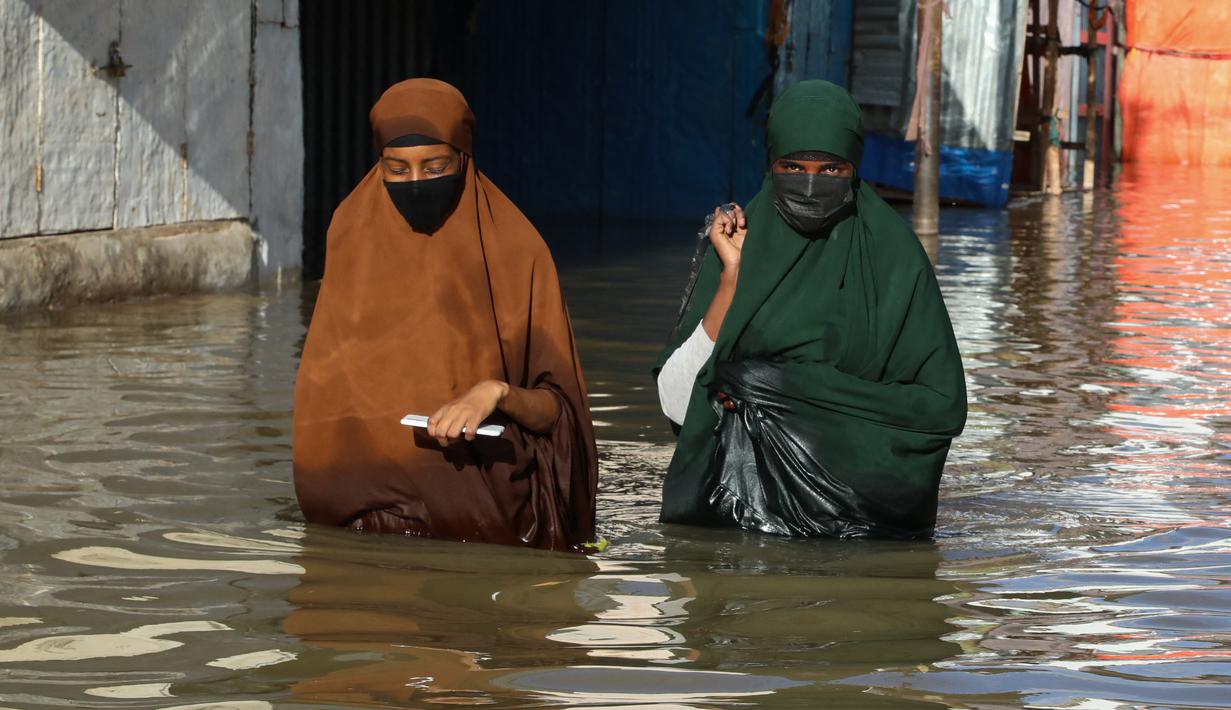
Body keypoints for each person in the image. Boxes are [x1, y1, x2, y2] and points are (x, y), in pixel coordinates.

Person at [293, 78, 597, 552]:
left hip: (486, 527)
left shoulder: (516, 250)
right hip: (356, 518)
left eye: (436, 167)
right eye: (397, 169)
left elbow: (559, 412)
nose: (417, 183)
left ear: (463, 159)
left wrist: (496, 393)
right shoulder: (351, 237)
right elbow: (324, 401)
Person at [654, 80, 967, 539]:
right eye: (793, 166)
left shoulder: (894, 259)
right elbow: (677, 404)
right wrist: (732, 279)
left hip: (861, 527)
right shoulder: (741, 243)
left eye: (831, 169)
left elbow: (941, 409)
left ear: (854, 168)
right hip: (739, 524)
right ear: (772, 165)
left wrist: (780, 388)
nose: (810, 183)